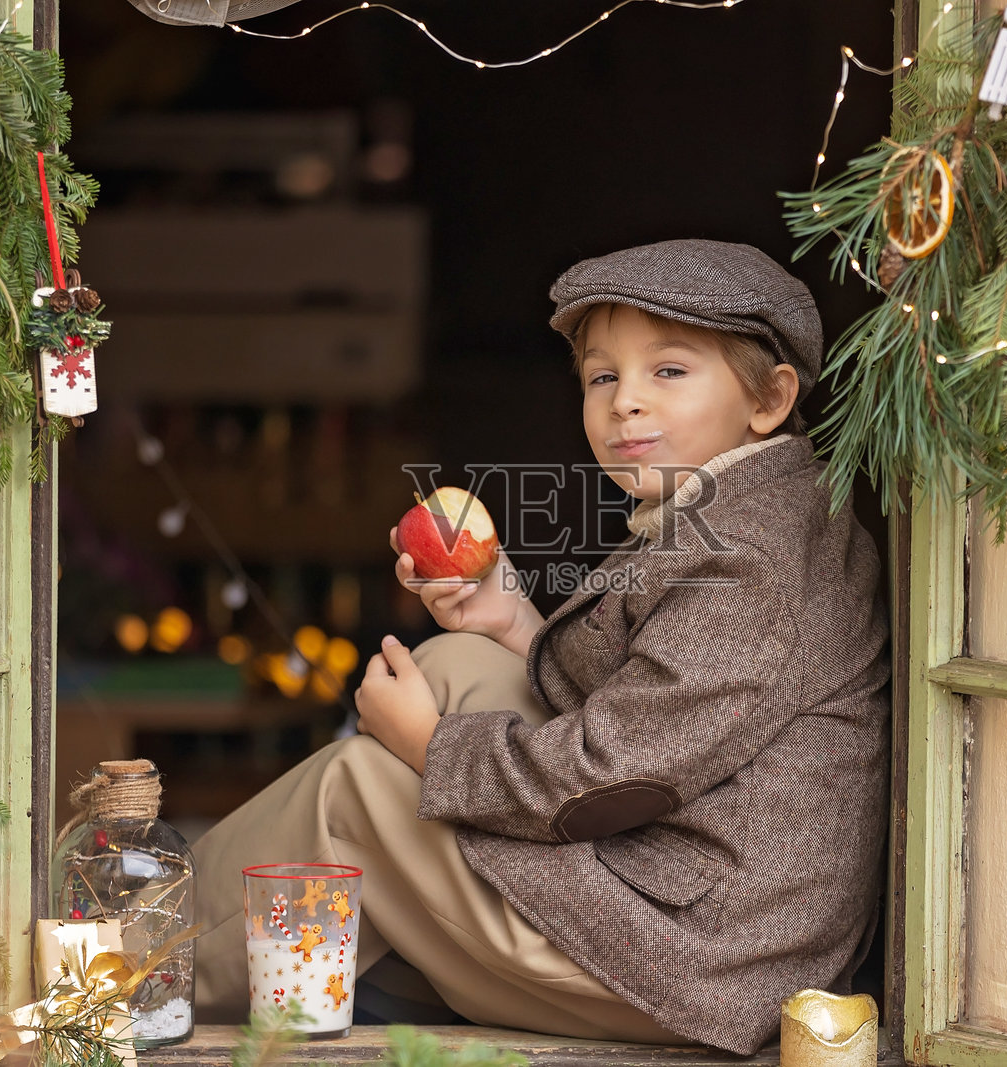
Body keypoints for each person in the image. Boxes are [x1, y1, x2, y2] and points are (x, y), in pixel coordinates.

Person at [191, 238, 891, 1054]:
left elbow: (612, 777)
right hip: (689, 891)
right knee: (457, 663)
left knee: (357, 791)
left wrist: (424, 745)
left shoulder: (750, 564)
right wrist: (510, 617)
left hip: (698, 962)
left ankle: (138, 967)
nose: (626, 401)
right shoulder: (743, 505)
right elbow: (645, 703)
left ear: (768, 399)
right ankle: (334, 950)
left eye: (668, 371)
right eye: (603, 376)